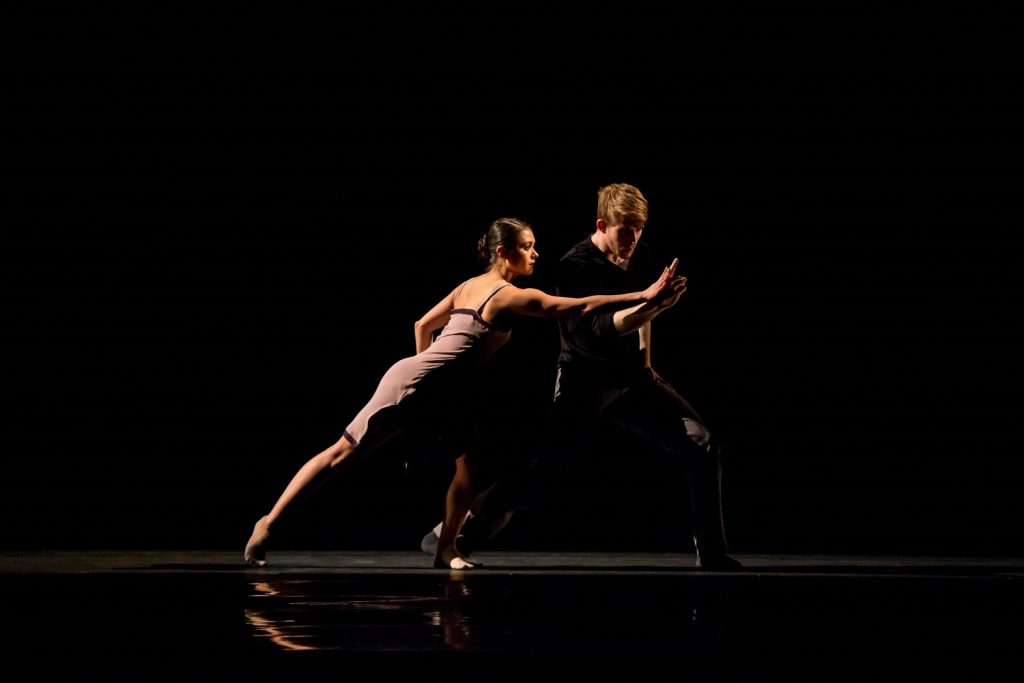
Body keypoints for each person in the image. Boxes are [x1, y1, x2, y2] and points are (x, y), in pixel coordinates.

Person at [243, 217, 683, 570]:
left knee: (471, 467)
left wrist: (437, 384)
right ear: (502, 252)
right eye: (527, 246)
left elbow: (422, 326)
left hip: (429, 386)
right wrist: (644, 294)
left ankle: (446, 549)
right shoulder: (506, 295)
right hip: (415, 384)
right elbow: (575, 306)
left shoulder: (468, 285)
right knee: (344, 453)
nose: (536, 253)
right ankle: (268, 523)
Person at [421, 184, 741, 570]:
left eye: (640, 228)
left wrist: (646, 362)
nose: (634, 238)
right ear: (603, 225)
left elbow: (643, 319)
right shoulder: (574, 266)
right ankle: (453, 536)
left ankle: (712, 552)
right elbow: (603, 327)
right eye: (627, 229)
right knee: (541, 477)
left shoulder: (642, 255)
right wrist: (651, 304)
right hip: (583, 384)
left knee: (702, 443)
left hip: (631, 382)